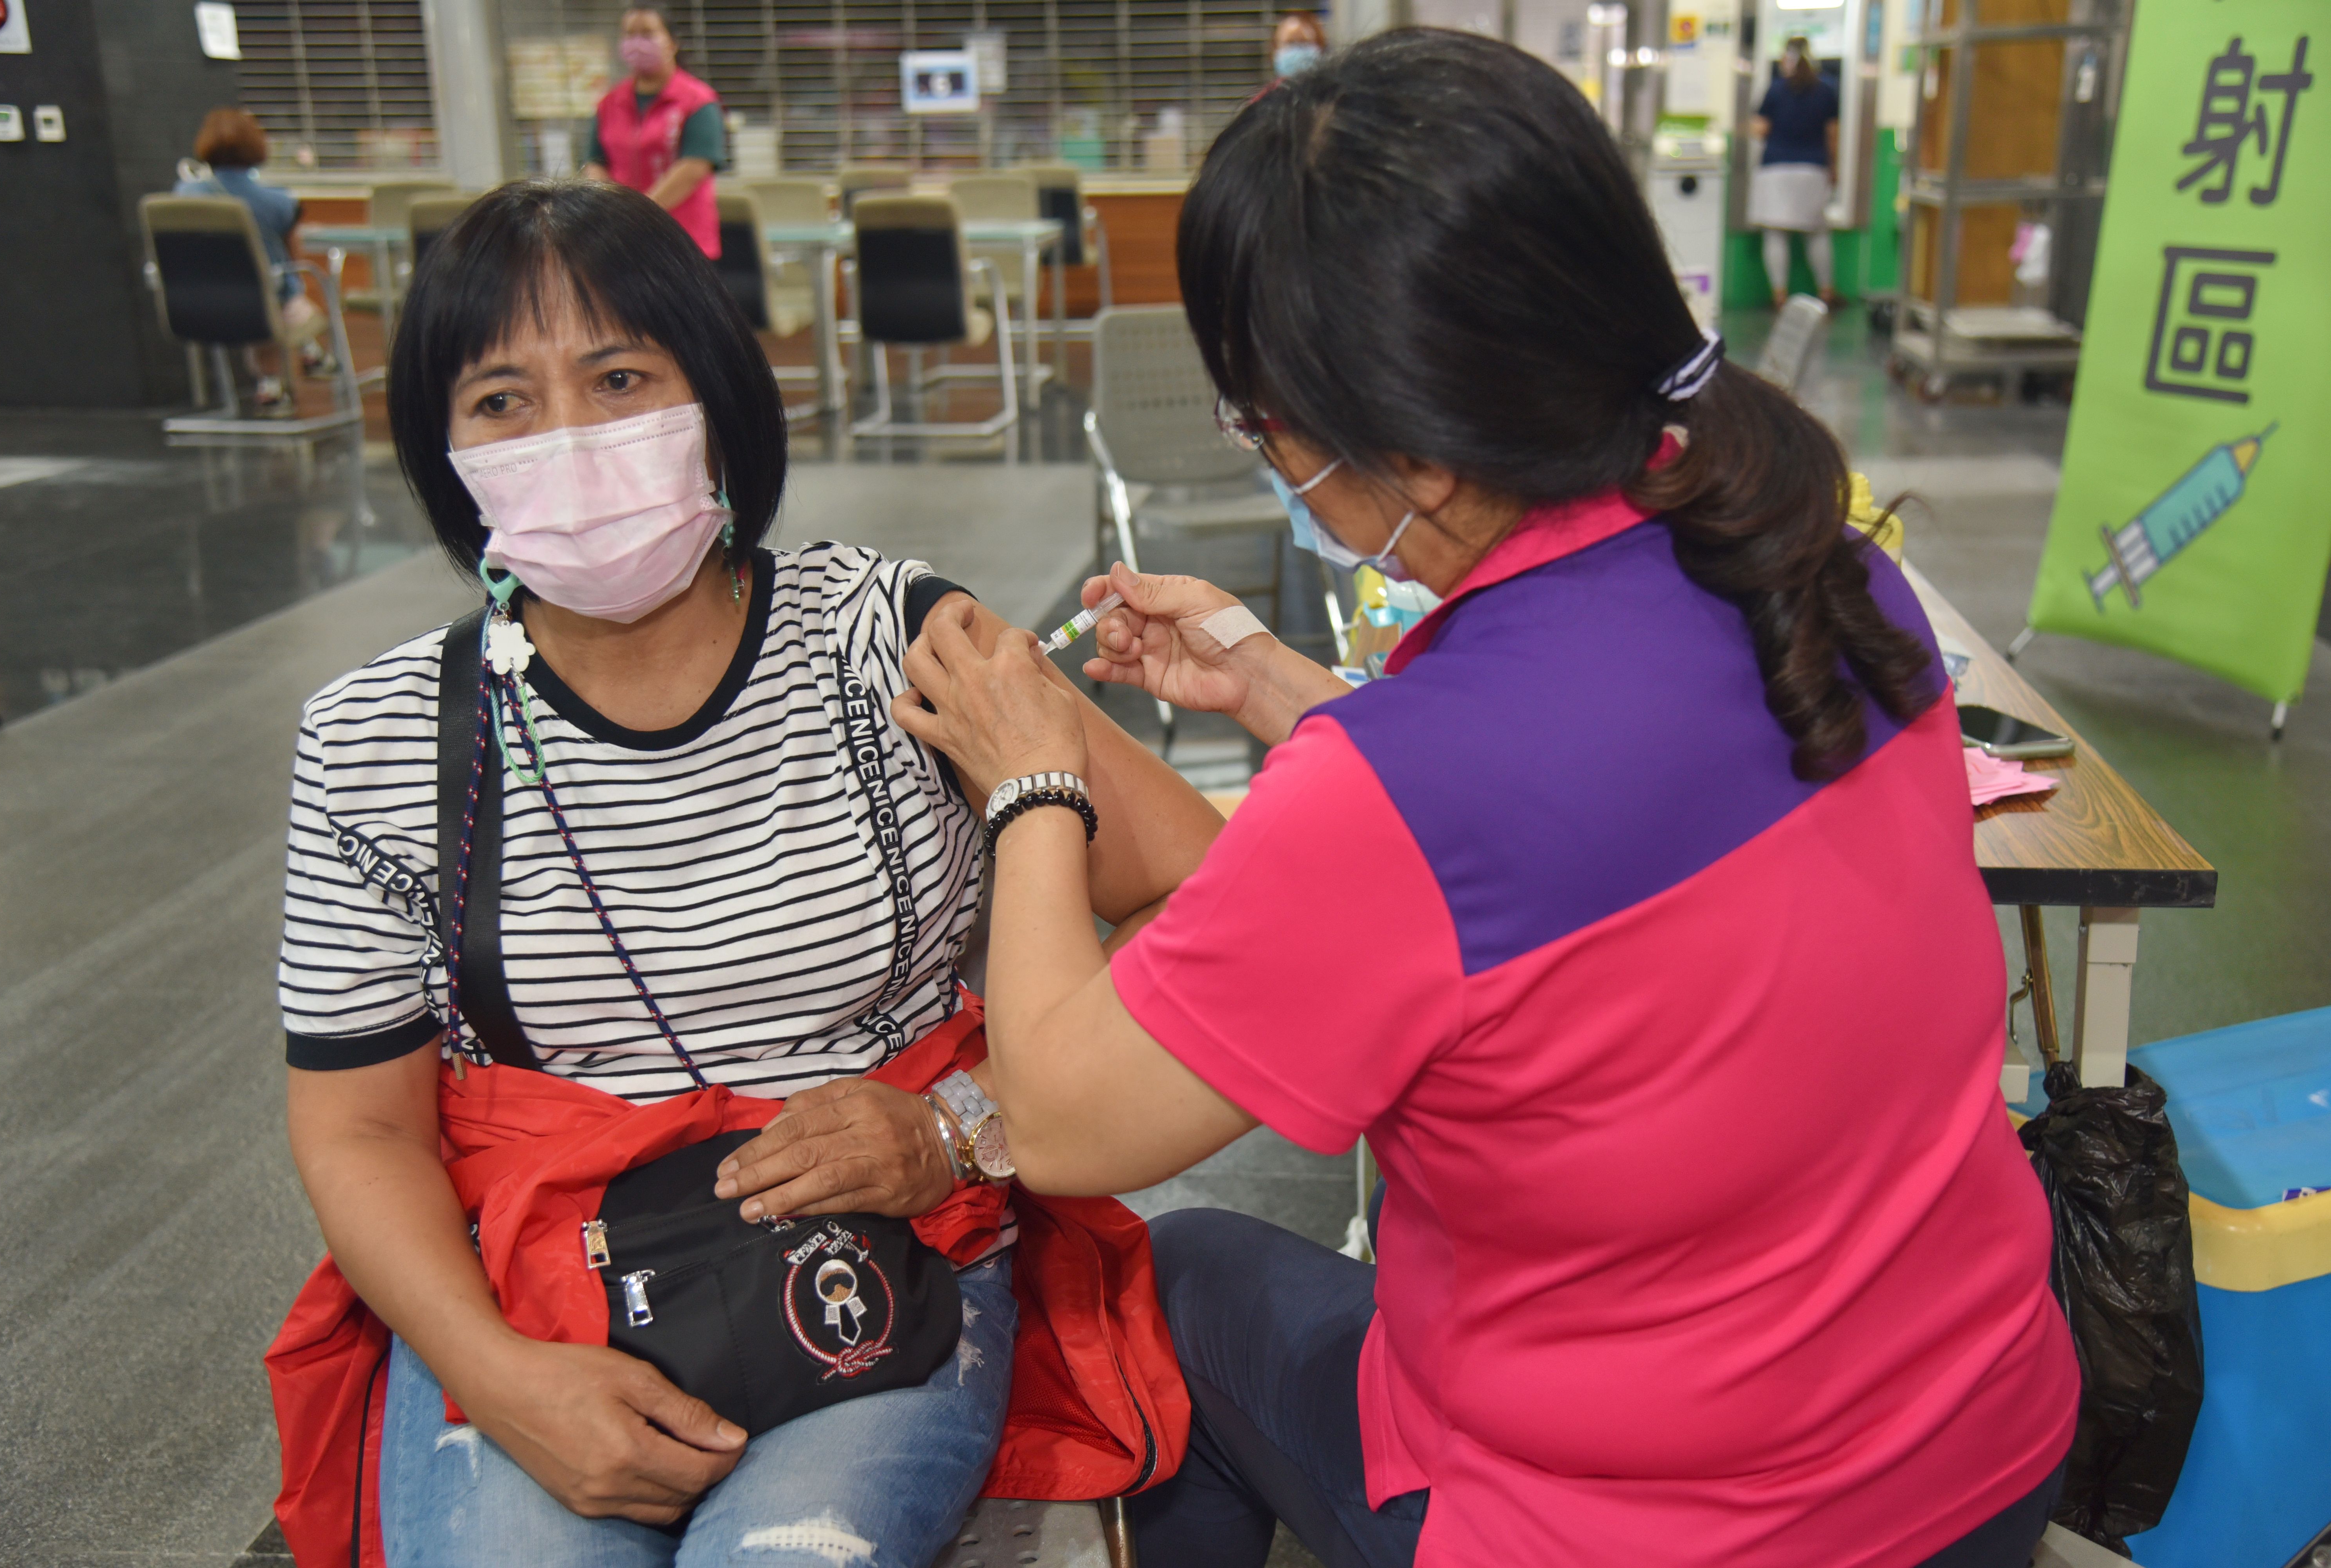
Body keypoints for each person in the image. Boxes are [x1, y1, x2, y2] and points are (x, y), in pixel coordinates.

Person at [893, 30, 2079, 1568]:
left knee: (1172, 1278)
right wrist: (1276, 685)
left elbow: (1055, 1114)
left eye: (1267, 425)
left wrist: (1033, 775)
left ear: (1416, 457)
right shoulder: (1819, 572)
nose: (1272, 460)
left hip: (1666, 1532)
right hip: (1979, 1448)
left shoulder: (1397, 796)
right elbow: (1562, 820)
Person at [271, 178, 1219, 1566]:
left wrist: (963, 1122)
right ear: (441, 450)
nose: (570, 440)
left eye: (616, 377)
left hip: (881, 1264)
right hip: (536, 1290)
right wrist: (495, 1373)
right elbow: (360, 1130)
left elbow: (1205, 906)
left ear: (714, 396)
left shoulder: (893, 645)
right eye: (500, 402)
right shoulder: (379, 741)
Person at [174, 107, 330, 404]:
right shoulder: (279, 202)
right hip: (266, 308)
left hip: (201, 305)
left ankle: (278, 377)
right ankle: (310, 355)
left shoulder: (185, 194)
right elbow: (294, 261)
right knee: (286, 294)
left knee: (259, 295)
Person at [582, 6, 728, 258]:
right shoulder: (610, 103)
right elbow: (596, 162)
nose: (637, 43)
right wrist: (607, 208)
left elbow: (694, 167)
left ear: (672, 43)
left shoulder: (697, 101)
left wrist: (640, 213)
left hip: (683, 241)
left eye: (648, 34)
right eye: (630, 35)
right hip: (620, 241)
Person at [1750, 36, 1842, 307]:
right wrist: (1834, 168)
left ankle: (1779, 295)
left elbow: (1761, 130)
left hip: (1775, 168)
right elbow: (1832, 136)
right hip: (1813, 169)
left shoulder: (1775, 91)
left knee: (1775, 233)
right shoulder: (1826, 91)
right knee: (1817, 232)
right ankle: (1826, 292)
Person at [1271, 11, 1326, 78]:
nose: (1297, 49)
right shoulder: (1271, 89)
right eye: (1290, 43)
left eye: (1304, 42)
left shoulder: (1335, 88)